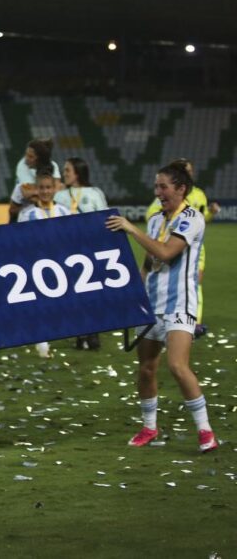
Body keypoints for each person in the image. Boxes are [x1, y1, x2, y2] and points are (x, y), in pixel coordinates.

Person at [106, 161, 218, 454]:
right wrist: (137, 292)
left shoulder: (192, 218)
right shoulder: (156, 219)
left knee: (177, 366)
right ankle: (149, 427)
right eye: (156, 186)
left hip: (180, 302)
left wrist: (131, 229)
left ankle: (205, 431)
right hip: (152, 304)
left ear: (181, 189)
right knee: (146, 368)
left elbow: (167, 253)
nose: (158, 192)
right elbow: (149, 259)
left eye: (164, 187)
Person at [145, 159, 219, 336]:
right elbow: (152, 215)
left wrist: (211, 213)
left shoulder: (199, 195)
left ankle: (195, 322)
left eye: (190, 170)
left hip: (193, 245)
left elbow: (201, 218)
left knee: (194, 283)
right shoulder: (163, 199)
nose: (189, 173)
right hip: (165, 241)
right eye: (186, 170)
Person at [54, 157, 109, 349]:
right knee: (72, 293)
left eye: (68, 170)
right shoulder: (60, 195)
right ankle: (80, 334)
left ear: (77, 172)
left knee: (91, 291)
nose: (64, 174)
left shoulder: (94, 193)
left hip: (89, 249)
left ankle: (93, 333)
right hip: (66, 250)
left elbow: (105, 219)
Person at [18, 169, 70, 358]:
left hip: (59, 262)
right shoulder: (28, 214)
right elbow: (20, 241)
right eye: (41, 188)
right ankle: (42, 342)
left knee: (57, 303)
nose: (45, 191)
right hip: (37, 263)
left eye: (48, 187)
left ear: (55, 189)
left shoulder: (64, 211)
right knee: (39, 302)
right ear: (36, 189)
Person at [10, 139, 63, 220]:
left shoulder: (53, 166)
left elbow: (58, 190)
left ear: (39, 159)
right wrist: (47, 191)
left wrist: (37, 192)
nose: (26, 158)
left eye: (31, 156)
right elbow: (26, 194)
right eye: (26, 154)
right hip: (22, 206)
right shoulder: (22, 165)